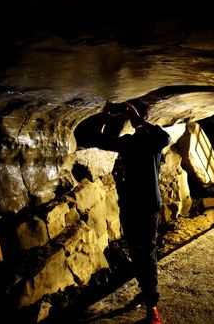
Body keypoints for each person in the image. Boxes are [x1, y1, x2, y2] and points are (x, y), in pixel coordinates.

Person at [83, 100, 170, 324]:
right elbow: (98, 140)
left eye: (135, 117)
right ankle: (146, 290)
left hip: (148, 204)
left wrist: (139, 120)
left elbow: (165, 137)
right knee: (136, 250)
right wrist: (106, 116)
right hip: (131, 204)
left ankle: (152, 305)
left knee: (147, 251)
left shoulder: (153, 141)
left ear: (141, 119)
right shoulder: (129, 142)